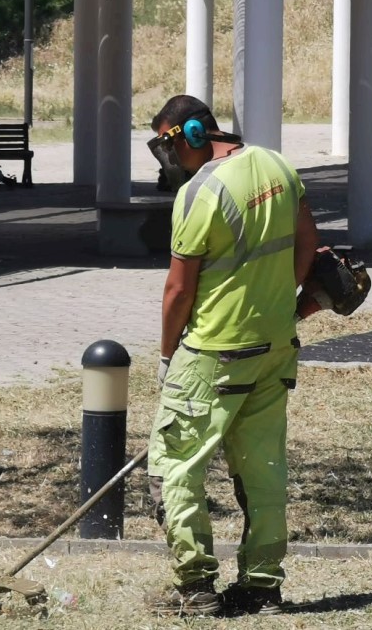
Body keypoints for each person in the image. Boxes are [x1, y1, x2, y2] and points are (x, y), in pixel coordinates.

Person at [144, 95, 318, 618]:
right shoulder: (277, 164)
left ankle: (196, 587)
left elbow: (178, 291)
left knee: (174, 466)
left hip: (212, 353)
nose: (168, 161)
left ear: (193, 134)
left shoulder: (201, 193)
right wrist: (279, 304)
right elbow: (307, 242)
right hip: (274, 347)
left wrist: (166, 354)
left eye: (168, 146)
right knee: (262, 469)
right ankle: (261, 586)